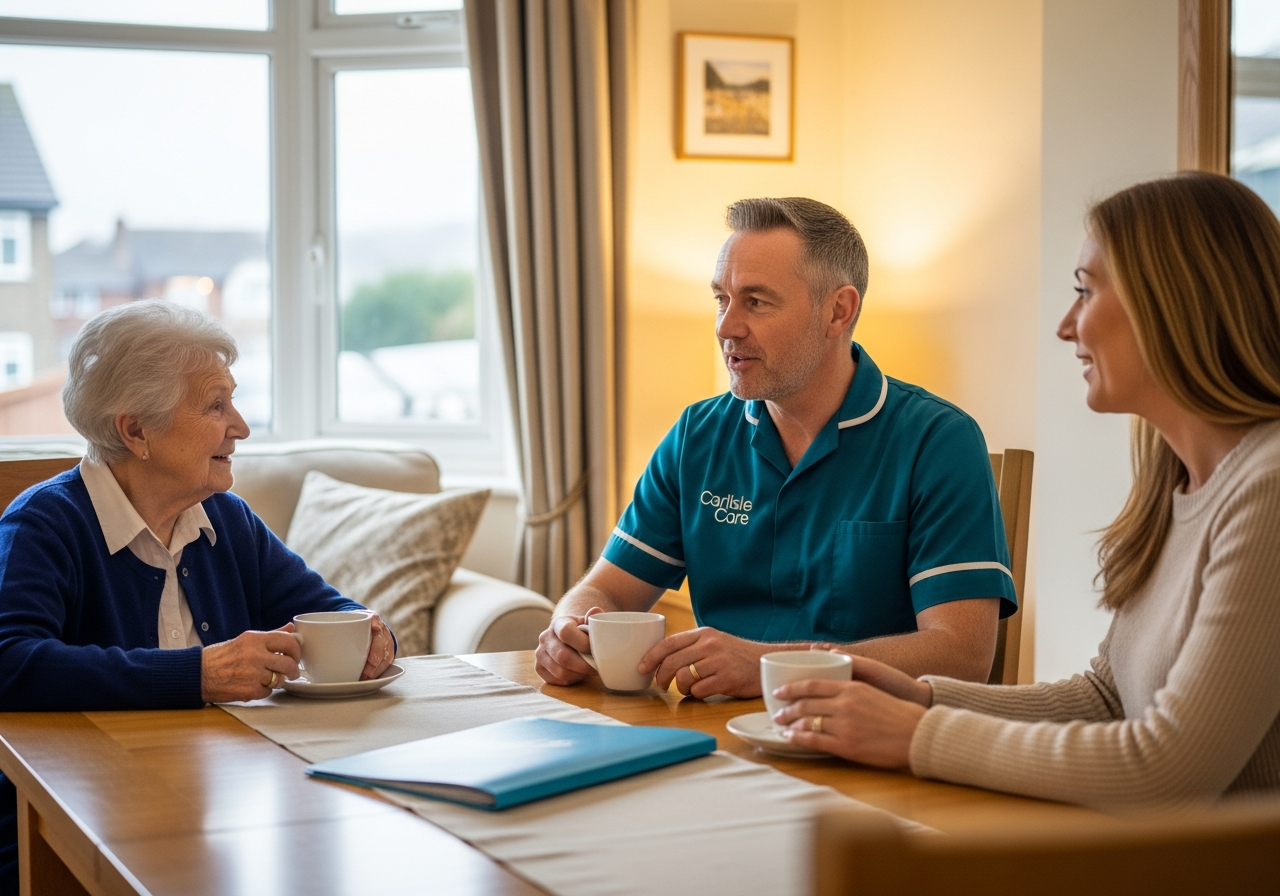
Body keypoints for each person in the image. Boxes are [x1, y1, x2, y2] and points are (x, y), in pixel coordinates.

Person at [771, 172, 1280, 811]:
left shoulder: (1268, 491)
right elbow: (1105, 698)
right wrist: (922, 696)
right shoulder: (1175, 481)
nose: (1067, 327)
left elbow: (1167, 771)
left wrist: (915, 735)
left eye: (1085, 292)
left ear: (1174, 301)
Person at [536, 198, 1017, 698]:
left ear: (838, 310)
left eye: (756, 301)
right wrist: (570, 628)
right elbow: (605, 590)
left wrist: (770, 664)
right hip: (714, 734)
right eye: (721, 299)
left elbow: (962, 656)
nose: (726, 327)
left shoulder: (938, 441)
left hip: (870, 743)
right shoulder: (696, 434)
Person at [0, 300, 397, 892]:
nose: (240, 425)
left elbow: (327, 608)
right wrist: (198, 674)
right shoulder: (45, 523)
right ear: (135, 430)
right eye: (215, 405)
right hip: (68, 825)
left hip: (223, 803)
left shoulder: (225, 519)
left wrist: (368, 634)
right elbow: (10, 661)